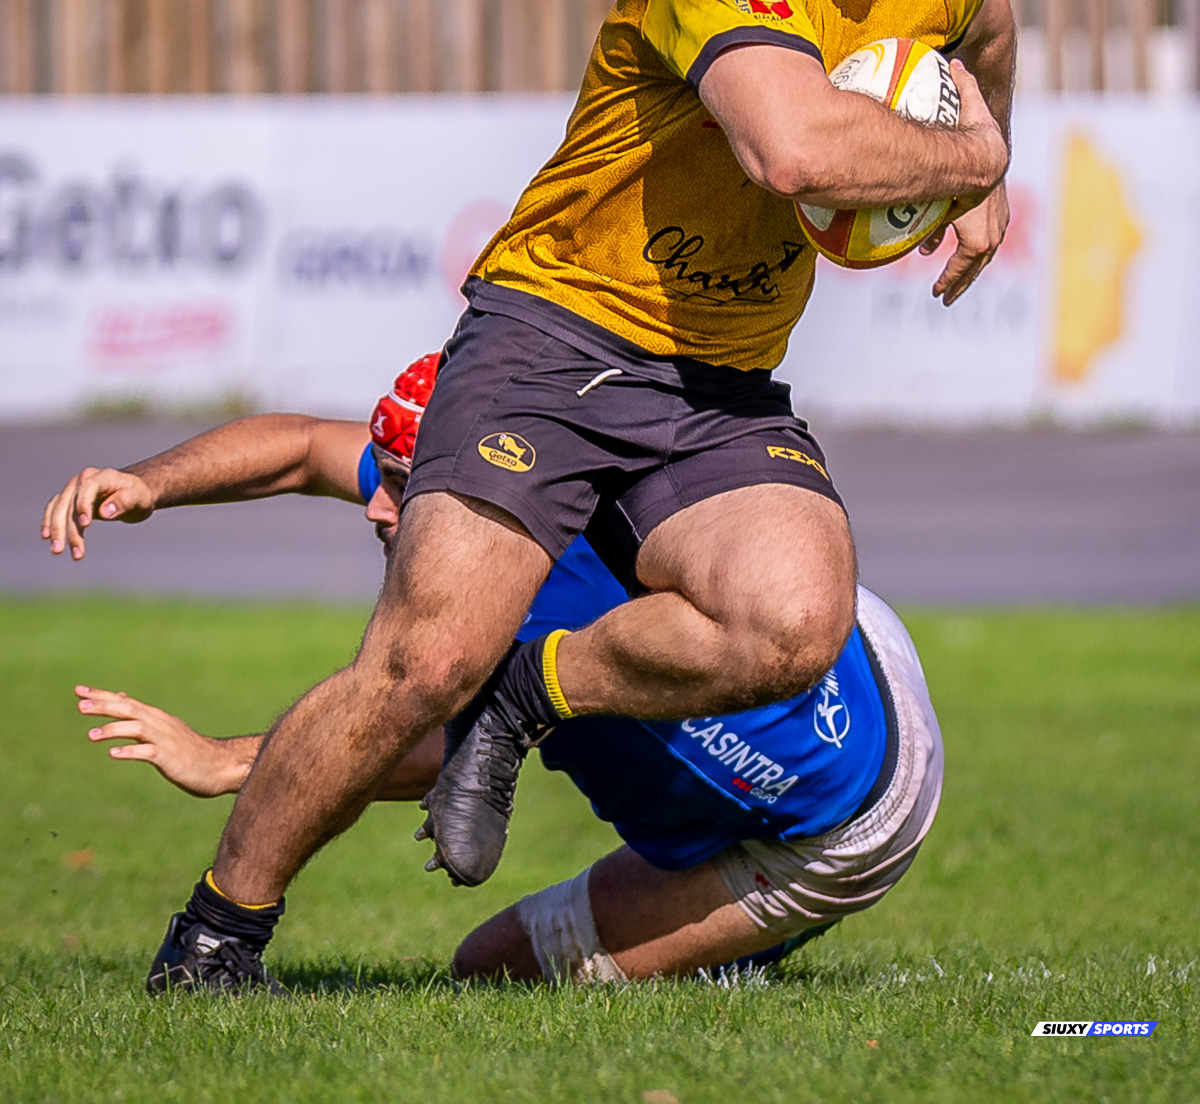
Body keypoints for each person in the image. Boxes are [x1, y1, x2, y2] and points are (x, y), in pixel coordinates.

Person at [61, 0, 1014, 992]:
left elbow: (989, 31)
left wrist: (985, 183)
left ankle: (528, 694)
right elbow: (790, 146)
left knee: (794, 622)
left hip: (715, 380)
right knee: (417, 663)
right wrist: (972, 150)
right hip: (552, 344)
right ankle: (218, 937)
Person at [47, 374, 942, 989]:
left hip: (846, 819)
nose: (376, 507)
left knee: (495, 969)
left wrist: (235, 762)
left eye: (401, 486)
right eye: (390, 479)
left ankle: (759, 931)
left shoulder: (538, 560)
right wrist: (146, 481)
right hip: (862, 631)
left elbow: (427, 740)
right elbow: (301, 448)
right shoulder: (493, 485)